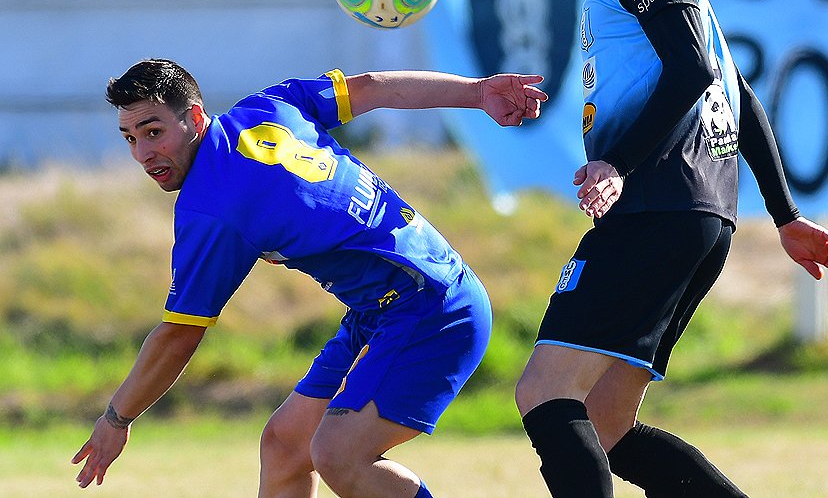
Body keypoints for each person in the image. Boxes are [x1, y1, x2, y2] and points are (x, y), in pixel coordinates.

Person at [513, 0, 828, 498]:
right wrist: (785, 214)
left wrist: (619, 163)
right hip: (692, 214)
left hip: (659, 206)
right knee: (606, 425)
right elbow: (736, 87)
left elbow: (694, 70)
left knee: (544, 391)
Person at [71, 59, 547, 497]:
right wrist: (478, 91)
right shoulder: (265, 106)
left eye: (153, 131)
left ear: (195, 120)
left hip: (429, 308)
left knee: (340, 455)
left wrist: (118, 417)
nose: (143, 153)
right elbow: (374, 88)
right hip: (384, 308)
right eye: (130, 138)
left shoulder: (211, 209)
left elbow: (179, 334)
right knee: (286, 446)